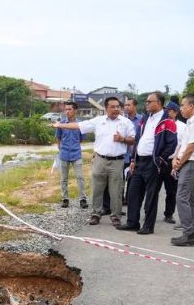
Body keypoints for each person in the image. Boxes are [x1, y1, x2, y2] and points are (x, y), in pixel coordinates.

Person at [54, 97, 135, 226]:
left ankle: (115, 216)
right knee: (97, 188)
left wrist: (122, 139)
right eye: (113, 107)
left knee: (116, 190)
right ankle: (96, 214)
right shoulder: (98, 121)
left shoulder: (126, 122)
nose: (116, 109)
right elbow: (78, 126)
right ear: (106, 108)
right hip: (100, 160)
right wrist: (60, 125)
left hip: (117, 161)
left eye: (118, 107)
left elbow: (133, 139)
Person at [118, 92, 176, 234]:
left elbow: (172, 144)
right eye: (147, 102)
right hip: (139, 162)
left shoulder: (168, 121)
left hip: (153, 163)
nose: (147, 104)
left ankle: (148, 226)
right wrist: (133, 159)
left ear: (159, 103)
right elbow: (138, 140)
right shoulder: (145, 118)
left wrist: (160, 160)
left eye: (150, 101)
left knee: (151, 196)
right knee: (133, 192)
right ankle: (132, 222)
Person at [170, 94, 194, 247]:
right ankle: (191, 231)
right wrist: (175, 158)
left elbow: (191, 147)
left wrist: (179, 165)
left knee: (181, 197)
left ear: (191, 106)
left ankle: (188, 233)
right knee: (191, 197)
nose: (180, 108)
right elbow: (182, 144)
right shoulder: (190, 122)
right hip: (186, 162)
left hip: (191, 163)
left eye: (182, 105)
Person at [54, 101, 87, 209]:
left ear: (75, 111)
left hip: (76, 153)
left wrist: (74, 145)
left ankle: (82, 199)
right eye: (66, 109)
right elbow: (58, 137)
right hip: (64, 154)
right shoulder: (61, 124)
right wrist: (60, 148)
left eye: (69, 109)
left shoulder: (80, 124)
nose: (67, 111)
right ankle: (65, 199)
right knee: (64, 178)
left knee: (80, 177)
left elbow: (81, 139)